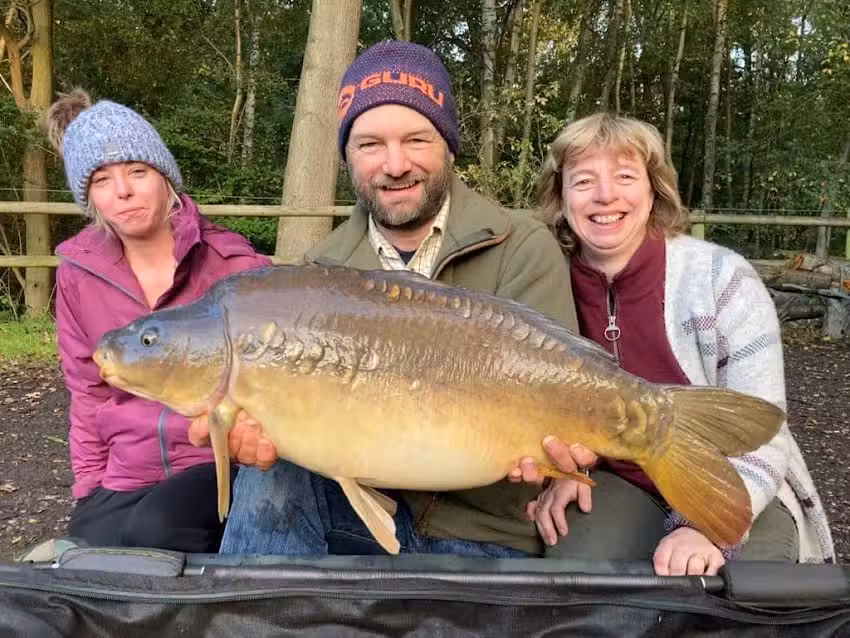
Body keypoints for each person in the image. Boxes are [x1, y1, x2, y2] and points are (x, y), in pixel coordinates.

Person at [189, 39, 580, 557]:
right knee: (269, 480)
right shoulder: (317, 274)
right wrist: (255, 440)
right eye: (370, 144)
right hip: (358, 510)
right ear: (348, 155)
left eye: (416, 139)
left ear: (448, 145)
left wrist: (562, 451)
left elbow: (566, 396)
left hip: (483, 529)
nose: (395, 165)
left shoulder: (521, 247)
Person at [518, 111, 835, 575]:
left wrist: (705, 528)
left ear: (653, 190)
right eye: (584, 181)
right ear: (560, 197)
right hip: (618, 480)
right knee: (577, 578)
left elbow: (763, 429)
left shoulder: (721, 278)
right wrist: (565, 471)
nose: (605, 195)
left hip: (733, 474)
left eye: (625, 177)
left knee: (746, 587)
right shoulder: (543, 280)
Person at [47, 89, 271, 553]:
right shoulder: (78, 274)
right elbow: (87, 392)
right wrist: (90, 489)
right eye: (102, 181)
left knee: (156, 534)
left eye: (136, 172)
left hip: (212, 461)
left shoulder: (235, 265)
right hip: (126, 469)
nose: (123, 191)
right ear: (88, 197)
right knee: (93, 558)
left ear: (165, 177)